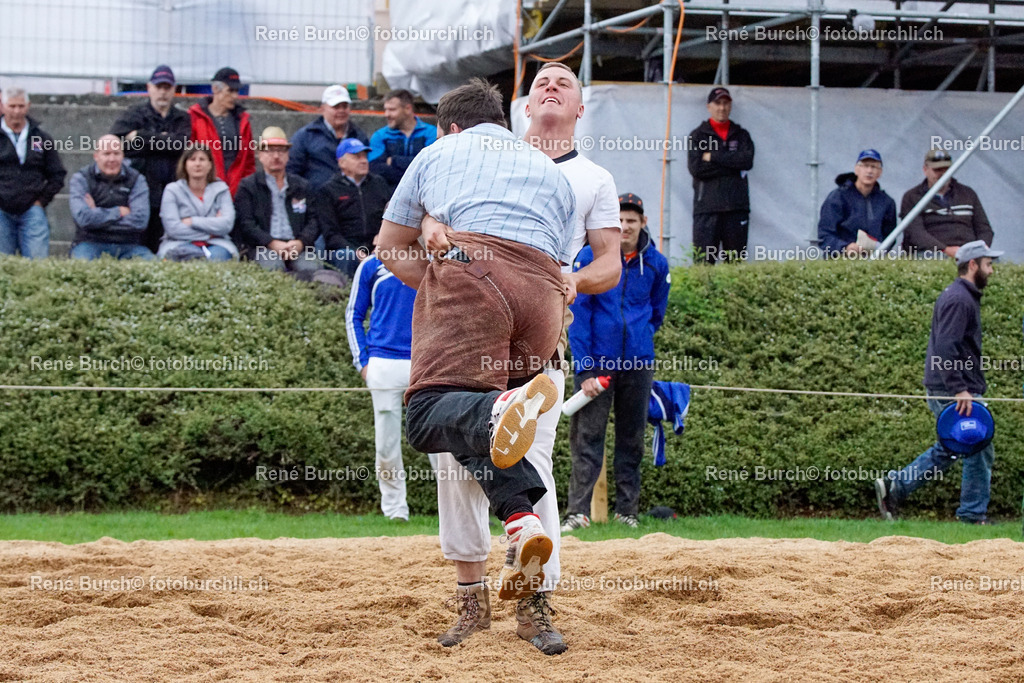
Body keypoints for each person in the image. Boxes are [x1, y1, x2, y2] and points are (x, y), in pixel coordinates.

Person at [429, 62, 621, 655]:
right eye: (540, 81)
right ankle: (471, 602)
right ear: (520, 105)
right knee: (455, 468)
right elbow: (431, 211)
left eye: (565, 82)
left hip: (537, 340)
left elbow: (609, 262)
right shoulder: (481, 158)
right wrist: (436, 229)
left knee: (532, 466)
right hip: (464, 333)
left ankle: (535, 605)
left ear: (581, 108)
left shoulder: (594, 177)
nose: (551, 85)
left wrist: (572, 278)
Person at [376, 79, 576, 631]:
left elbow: (388, 246)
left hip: (474, 280)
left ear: (452, 127)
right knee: (497, 445)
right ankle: (521, 525)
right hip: (542, 301)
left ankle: (477, 597)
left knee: (426, 418)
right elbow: (559, 266)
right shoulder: (550, 170)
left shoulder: (437, 151)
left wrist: (440, 281)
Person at [875, 240, 1002, 525]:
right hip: (953, 389)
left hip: (953, 387)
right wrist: (960, 390)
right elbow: (946, 347)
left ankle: (895, 487)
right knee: (977, 443)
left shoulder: (963, 296)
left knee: (954, 446)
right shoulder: (959, 299)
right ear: (972, 265)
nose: (991, 271)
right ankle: (972, 515)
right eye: (988, 264)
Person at [564, 193, 670, 529]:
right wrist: (584, 369)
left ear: (643, 223)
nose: (625, 226)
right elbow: (577, 318)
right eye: (620, 221)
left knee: (631, 440)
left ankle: (628, 514)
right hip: (597, 366)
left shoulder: (657, 263)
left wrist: (638, 343)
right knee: (587, 440)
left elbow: (656, 313)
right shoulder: (587, 258)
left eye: (632, 221)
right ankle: (576, 513)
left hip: (638, 367)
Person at [346, 245, 429, 520]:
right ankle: (395, 510)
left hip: (427, 363)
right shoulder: (372, 265)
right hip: (383, 362)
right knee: (386, 444)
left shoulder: (435, 260)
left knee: (443, 446)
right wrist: (364, 364)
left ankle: (454, 513)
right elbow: (353, 315)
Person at [110, 65, 191, 252]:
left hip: (171, 189)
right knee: (139, 243)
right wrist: (163, 140)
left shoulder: (182, 118)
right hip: (140, 189)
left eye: (167, 88)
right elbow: (117, 141)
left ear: (174, 90)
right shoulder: (133, 114)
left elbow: (180, 145)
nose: (162, 92)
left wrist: (140, 136)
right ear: (149, 88)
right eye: (158, 87)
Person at [233, 127, 321, 272]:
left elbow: (314, 220)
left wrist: (301, 242)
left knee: (310, 268)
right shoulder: (248, 186)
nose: (276, 156)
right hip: (262, 247)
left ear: (288, 155)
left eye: (281, 151)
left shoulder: (302, 185)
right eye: (269, 151)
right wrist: (271, 242)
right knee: (273, 266)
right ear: (260, 155)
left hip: (297, 245)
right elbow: (246, 223)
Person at [687, 86, 755, 264]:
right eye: (718, 103)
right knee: (703, 263)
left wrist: (714, 156)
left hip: (736, 208)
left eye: (726, 103)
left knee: (735, 263)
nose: (722, 108)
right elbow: (697, 169)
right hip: (707, 209)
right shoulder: (698, 136)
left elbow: (747, 161)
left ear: (730, 106)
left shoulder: (741, 135)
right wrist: (732, 163)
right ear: (709, 106)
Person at [0, 87, 66, 258]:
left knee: (37, 262)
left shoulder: (42, 138)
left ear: (28, 106)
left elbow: (57, 173)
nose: (17, 111)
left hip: (32, 209)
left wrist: (41, 201)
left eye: (21, 106)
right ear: (2, 106)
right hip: (1, 211)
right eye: (12, 106)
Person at [68, 135, 153, 260]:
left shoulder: (136, 179)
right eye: (106, 154)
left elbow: (140, 221)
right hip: (90, 243)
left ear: (123, 155)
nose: (112, 159)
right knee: (82, 268)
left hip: (128, 244)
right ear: (96, 156)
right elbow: (84, 218)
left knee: (153, 265)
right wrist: (119, 211)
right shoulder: (81, 178)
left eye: (116, 153)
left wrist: (96, 214)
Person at [316, 138, 393, 276]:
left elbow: (391, 216)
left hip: (378, 245)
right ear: (341, 162)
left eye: (365, 156)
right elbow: (330, 234)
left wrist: (381, 241)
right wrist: (354, 250)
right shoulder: (328, 190)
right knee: (347, 255)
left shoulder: (379, 183)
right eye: (357, 157)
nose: (363, 161)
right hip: (344, 249)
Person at [901, 149, 994, 259]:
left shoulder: (968, 194)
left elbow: (984, 229)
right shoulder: (913, 197)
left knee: (992, 263)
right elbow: (916, 233)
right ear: (925, 170)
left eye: (946, 169)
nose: (942, 174)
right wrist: (945, 249)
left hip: (968, 253)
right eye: (937, 170)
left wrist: (979, 249)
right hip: (931, 253)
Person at [158, 145, 236, 261]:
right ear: (185, 164)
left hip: (217, 243)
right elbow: (173, 228)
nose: (197, 164)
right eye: (192, 159)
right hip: (178, 243)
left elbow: (226, 224)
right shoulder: (172, 190)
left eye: (202, 159)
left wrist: (192, 221)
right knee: (184, 257)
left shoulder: (222, 189)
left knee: (219, 258)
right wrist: (211, 231)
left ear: (210, 165)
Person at [287, 84, 370, 190]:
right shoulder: (305, 136)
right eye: (336, 107)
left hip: (351, 199)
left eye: (345, 106)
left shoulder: (359, 136)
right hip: (316, 197)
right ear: (322, 109)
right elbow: (291, 170)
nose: (341, 110)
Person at [817, 149, 897, 257]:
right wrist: (844, 247)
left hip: (874, 262)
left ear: (880, 172)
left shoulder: (887, 202)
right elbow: (824, 234)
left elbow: (891, 237)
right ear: (856, 169)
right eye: (865, 166)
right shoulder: (838, 197)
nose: (869, 171)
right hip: (840, 261)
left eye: (874, 167)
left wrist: (877, 249)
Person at [188, 67, 254, 196]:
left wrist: (246, 189)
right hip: (204, 190)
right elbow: (187, 157)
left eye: (236, 91)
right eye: (230, 91)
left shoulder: (243, 120)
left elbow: (249, 161)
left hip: (236, 191)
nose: (235, 96)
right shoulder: (194, 118)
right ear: (215, 89)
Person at [368, 89, 437, 190]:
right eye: (385, 109)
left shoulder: (431, 133)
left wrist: (394, 160)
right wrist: (414, 172)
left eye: (392, 110)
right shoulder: (380, 136)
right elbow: (375, 169)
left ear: (408, 109)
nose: (386, 114)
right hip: (389, 197)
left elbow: (432, 166)